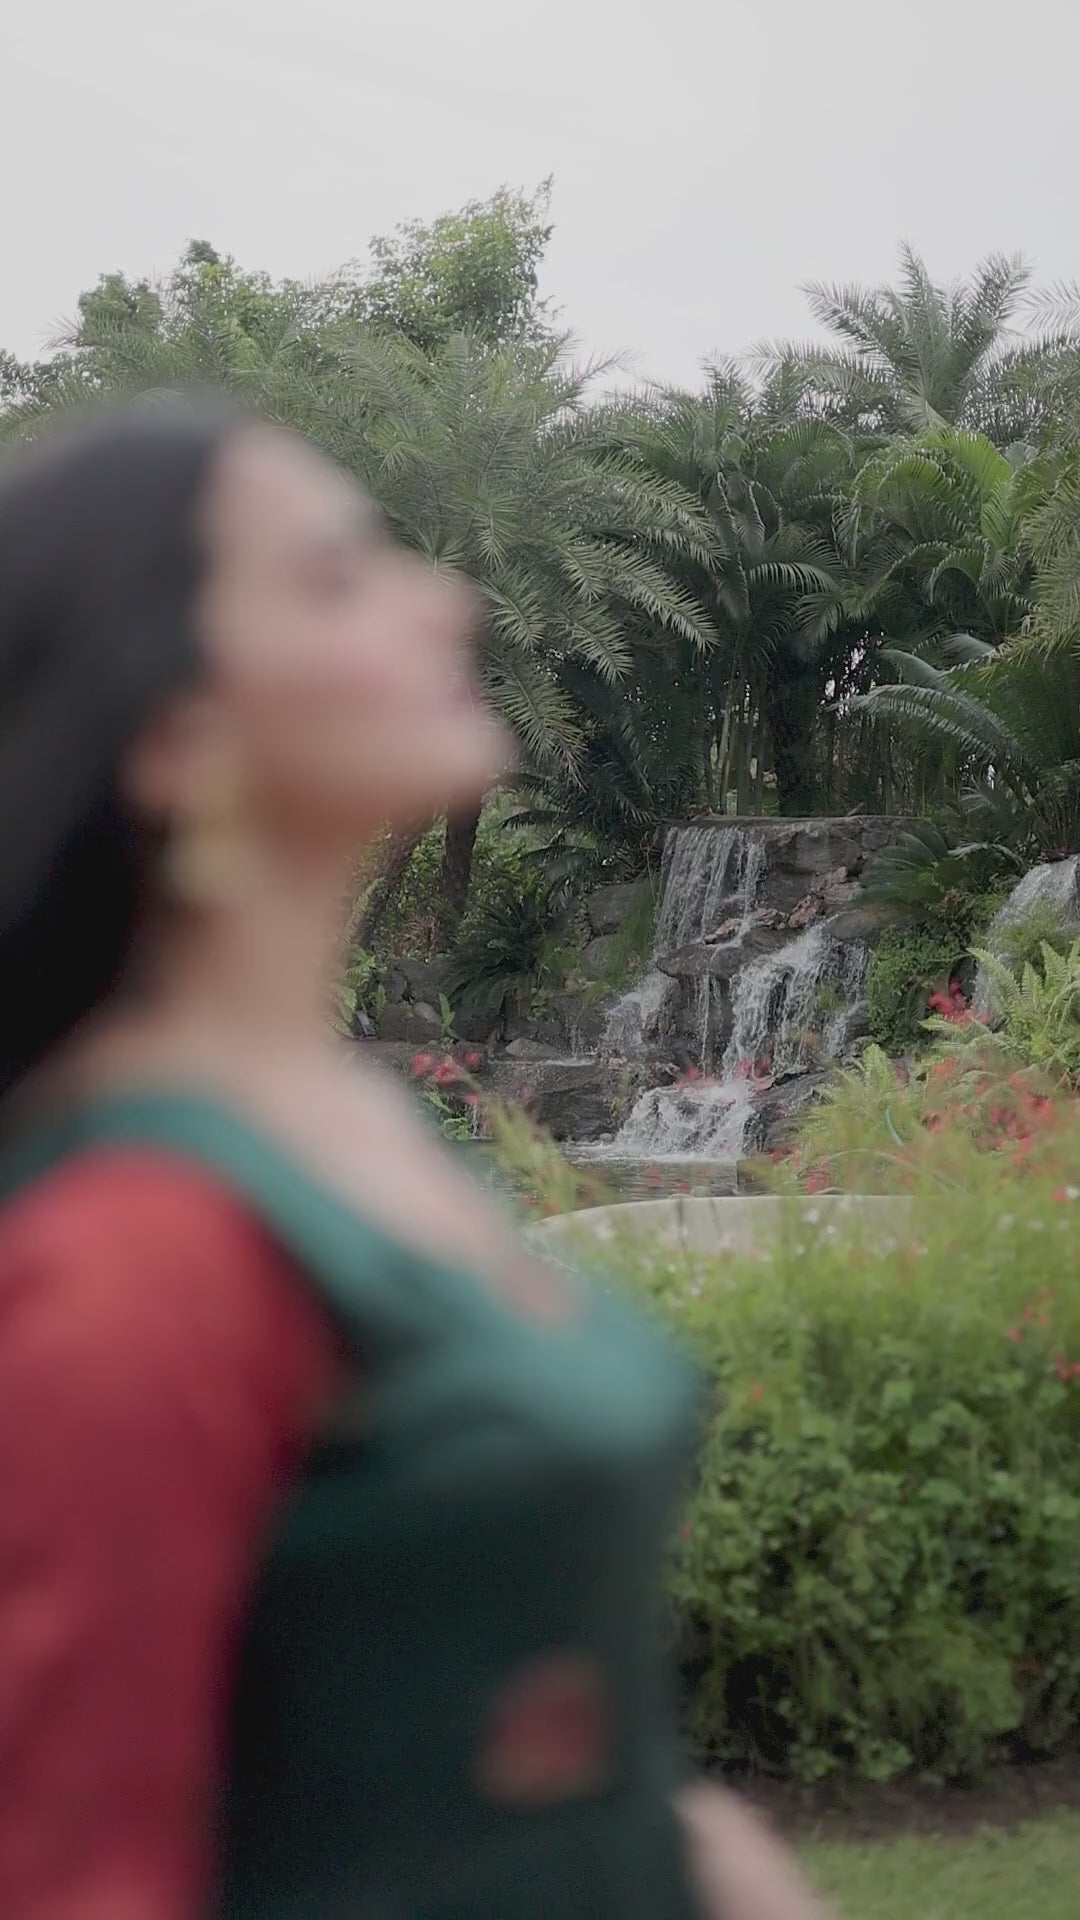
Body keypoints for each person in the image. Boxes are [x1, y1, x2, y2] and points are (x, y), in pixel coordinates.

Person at [0, 397, 830, 1919]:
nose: (445, 598)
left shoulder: (356, 1128)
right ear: (180, 739)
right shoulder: (134, 1247)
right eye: (334, 578)